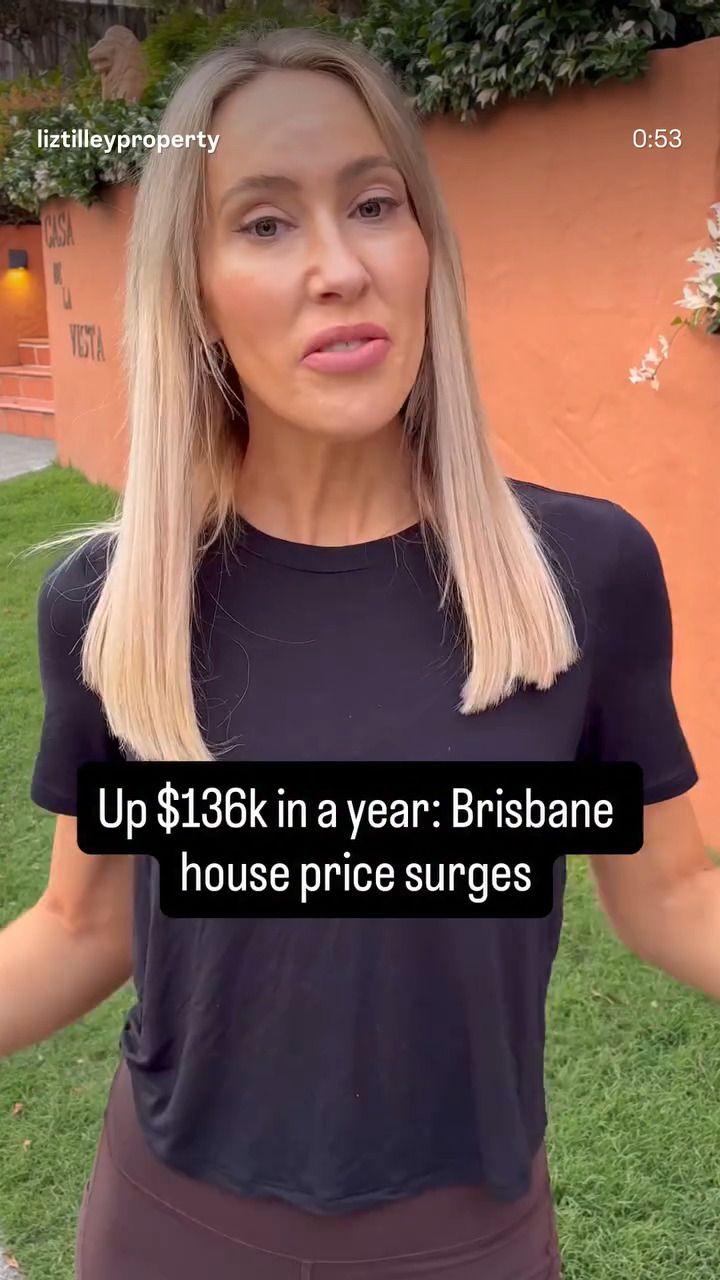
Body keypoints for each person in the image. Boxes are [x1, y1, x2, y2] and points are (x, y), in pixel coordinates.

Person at [1, 24, 716, 1280]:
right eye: (265, 222)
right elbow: (82, 922)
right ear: (193, 287)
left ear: (425, 245)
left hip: (470, 1243)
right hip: (167, 1235)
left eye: (374, 204)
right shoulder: (111, 607)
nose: (339, 267)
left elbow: (671, 893)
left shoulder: (581, 576)